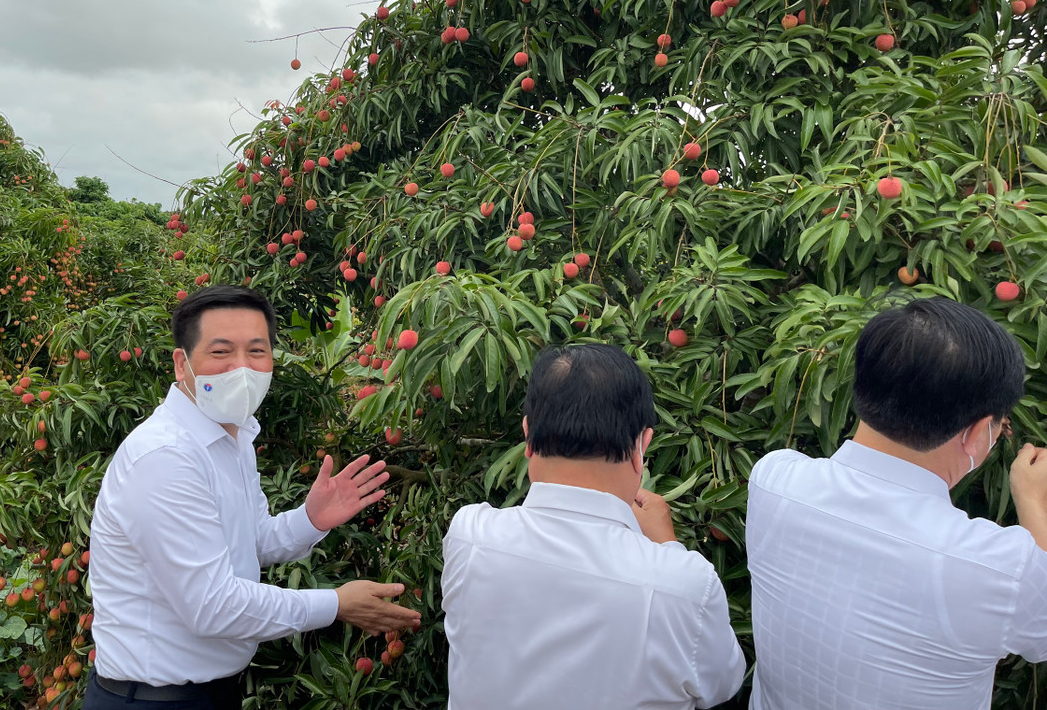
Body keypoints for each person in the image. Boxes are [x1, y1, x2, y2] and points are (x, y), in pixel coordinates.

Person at [84, 286, 421, 710]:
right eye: (221, 352)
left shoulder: (233, 436)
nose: (242, 368)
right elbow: (211, 606)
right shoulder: (166, 457)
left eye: (257, 352)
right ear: (181, 365)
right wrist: (335, 604)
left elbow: (251, 542)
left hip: (208, 693)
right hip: (153, 700)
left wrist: (310, 520)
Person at [746, 296, 1047, 710]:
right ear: (977, 432)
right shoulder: (997, 568)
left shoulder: (773, 481)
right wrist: (1034, 500)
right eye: (1000, 426)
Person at [442, 344, 746, 710]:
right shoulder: (685, 587)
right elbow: (722, 686)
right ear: (641, 445)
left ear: (527, 435)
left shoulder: (469, 536)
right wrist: (668, 547)